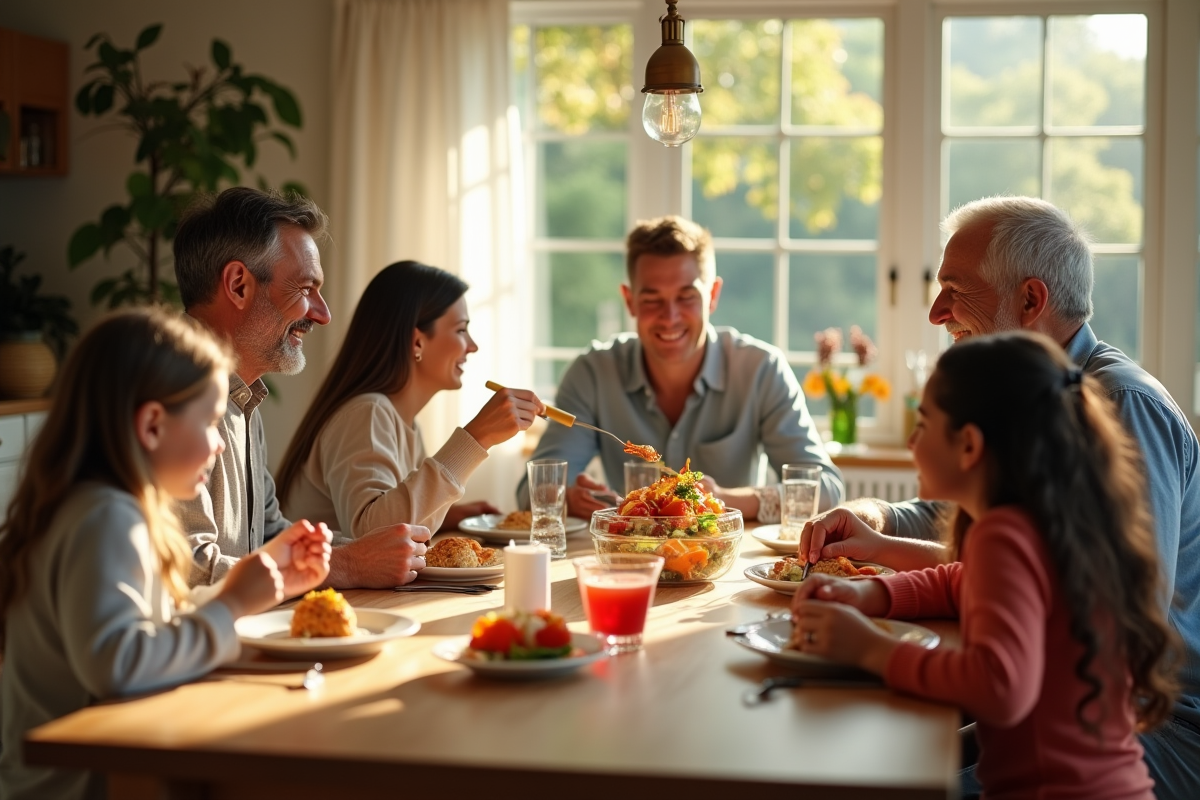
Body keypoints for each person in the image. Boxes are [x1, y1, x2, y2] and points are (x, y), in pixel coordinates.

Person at [799, 196, 1200, 798]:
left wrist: (876, 640)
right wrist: (879, 530)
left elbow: (1104, 602)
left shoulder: (1122, 406)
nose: (936, 313)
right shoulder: (1033, 400)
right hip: (1053, 706)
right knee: (861, 761)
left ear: (1031, 300)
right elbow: (986, 535)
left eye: (955, 290)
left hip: (1147, 729)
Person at [0, 308, 331, 800]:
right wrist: (232, 606)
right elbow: (118, 662)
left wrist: (250, 584)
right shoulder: (105, 517)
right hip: (85, 784)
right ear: (152, 425)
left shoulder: (99, 507)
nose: (220, 444)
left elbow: (150, 627)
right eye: (212, 422)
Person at [172, 187, 430, 588]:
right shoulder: (170, 390)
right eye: (305, 288)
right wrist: (345, 566)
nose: (323, 314)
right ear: (239, 285)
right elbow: (186, 570)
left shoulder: (242, 396)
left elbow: (269, 535)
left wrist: (381, 552)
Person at [519, 215, 842, 520]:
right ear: (629, 300)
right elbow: (529, 492)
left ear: (712, 295)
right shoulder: (592, 373)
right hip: (630, 559)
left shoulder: (761, 369)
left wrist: (721, 498)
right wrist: (565, 497)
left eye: (686, 296)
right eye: (652, 300)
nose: (669, 316)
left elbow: (827, 489)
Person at [276, 261, 545, 536]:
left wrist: (448, 514)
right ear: (417, 342)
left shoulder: (403, 421)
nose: (472, 346)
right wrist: (477, 437)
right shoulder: (367, 412)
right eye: (461, 330)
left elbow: (392, 513)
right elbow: (375, 537)